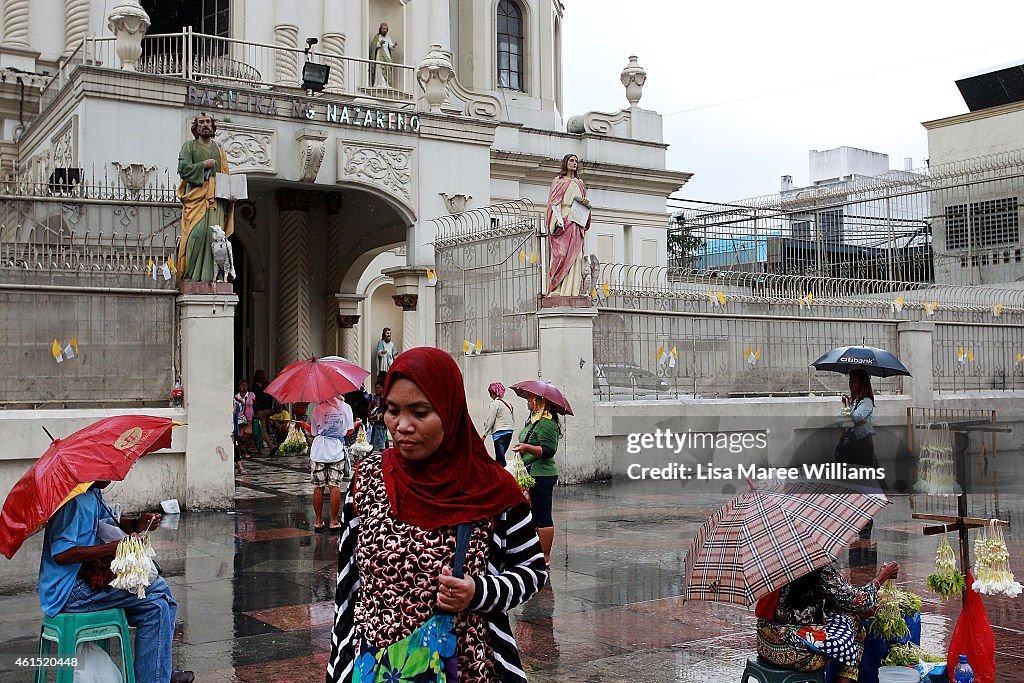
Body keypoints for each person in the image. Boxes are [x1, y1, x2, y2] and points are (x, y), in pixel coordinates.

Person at [326, 347, 547, 683]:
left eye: (420, 412)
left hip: (464, 666)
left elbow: (532, 571)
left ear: (450, 410)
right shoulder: (368, 479)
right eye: (392, 411)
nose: (402, 426)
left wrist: (479, 591)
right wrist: (338, 668)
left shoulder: (492, 488)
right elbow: (349, 587)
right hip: (376, 668)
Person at [40, 482, 194, 683]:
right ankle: (158, 676)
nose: (113, 478)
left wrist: (138, 524)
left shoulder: (93, 492)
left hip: (87, 579)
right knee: (158, 586)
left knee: (157, 607)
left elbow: (109, 522)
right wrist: (112, 548)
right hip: (68, 592)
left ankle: (156, 675)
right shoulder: (71, 501)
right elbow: (61, 554)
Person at [756, 560, 900, 683]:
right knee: (855, 626)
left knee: (844, 616)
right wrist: (882, 576)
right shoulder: (816, 568)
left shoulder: (775, 563)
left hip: (765, 644)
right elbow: (858, 600)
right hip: (791, 653)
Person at [176, 112, 234, 282]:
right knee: (195, 236)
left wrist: (231, 195)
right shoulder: (189, 146)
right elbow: (183, 169)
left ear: (213, 125)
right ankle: (189, 276)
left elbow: (225, 175)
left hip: (216, 200)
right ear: (196, 127)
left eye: (208, 121)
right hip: (196, 199)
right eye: (201, 122)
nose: (205, 125)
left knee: (215, 240)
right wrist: (203, 165)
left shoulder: (219, 149)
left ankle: (211, 278)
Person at [510, 390, 560, 567]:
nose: (527, 401)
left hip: (542, 474)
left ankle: (545, 557)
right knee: (532, 515)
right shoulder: (533, 420)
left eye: (530, 398)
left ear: (540, 401)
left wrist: (526, 447)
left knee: (542, 515)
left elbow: (548, 451)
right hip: (531, 472)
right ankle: (535, 553)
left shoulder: (546, 423)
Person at [836, 369, 876, 538]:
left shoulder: (866, 402)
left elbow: (856, 418)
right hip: (851, 446)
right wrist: (847, 410)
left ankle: (866, 519)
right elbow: (840, 421)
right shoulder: (853, 403)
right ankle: (856, 516)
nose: (850, 383)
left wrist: (846, 410)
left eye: (854, 380)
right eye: (849, 379)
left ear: (862, 382)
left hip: (862, 447)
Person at [545, 153, 592, 297]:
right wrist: (556, 221)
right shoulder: (558, 182)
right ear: (565, 163)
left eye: (576, 161)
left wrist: (586, 204)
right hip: (563, 219)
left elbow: (585, 201)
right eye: (571, 160)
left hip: (577, 221)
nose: (574, 163)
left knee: (576, 257)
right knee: (561, 255)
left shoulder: (580, 183)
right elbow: (554, 204)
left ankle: (573, 291)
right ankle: (557, 288)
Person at [310, 395, 353, 533]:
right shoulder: (346, 408)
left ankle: (318, 521)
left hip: (319, 452)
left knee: (318, 487)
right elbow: (349, 430)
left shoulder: (317, 409)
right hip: (336, 451)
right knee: (335, 486)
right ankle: (334, 521)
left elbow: (314, 432)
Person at [481, 382, 515, 467]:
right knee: (501, 457)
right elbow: (512, 418)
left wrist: (484, 435)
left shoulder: (495, 404)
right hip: (509, 432)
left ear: (493, 393)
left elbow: (490, 420)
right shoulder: (508, 404)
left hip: (499, 433)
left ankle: (501, 477)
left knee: (500, 460)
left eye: (490, 393)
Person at [252, 369, 277, 454]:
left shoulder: (254, 387)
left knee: (263, 430)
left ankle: (271, 445)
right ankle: (268, 444)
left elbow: (254, 399)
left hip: (260, 410)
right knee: (266, 428)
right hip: (268, 409)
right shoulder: (267, 385)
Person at [368, 22, 398, 88]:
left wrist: (394, 45)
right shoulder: (377, 37)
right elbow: (373, 47)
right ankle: (380, 83)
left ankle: (387, 84)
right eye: (383, 28)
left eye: (386, 29)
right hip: (379, 55)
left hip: (386, 54)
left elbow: (390, 46)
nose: (385, 30)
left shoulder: (388, 37)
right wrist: (379, 43)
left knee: (388, 67)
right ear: (380, 29)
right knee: (380, 68)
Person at [233, 380, 256, 456]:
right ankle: (239, 452)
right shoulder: (236, 397)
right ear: (239, 387)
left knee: (248, 436)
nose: (244, 387)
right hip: (239, 418)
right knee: (239, 436)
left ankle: (246, 451)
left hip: (249, 418)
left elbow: (255, 404)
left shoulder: (251, 395)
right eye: (242, 385)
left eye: (246, 385)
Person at [367, 380, 388, 452]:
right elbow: (369, 408)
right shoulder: (373, 397)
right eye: (376, 387)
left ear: (383, 389)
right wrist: (370, 417)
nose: (377, 389)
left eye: (379, 388)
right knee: (373, 442)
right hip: (373, 423)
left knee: (380, 441)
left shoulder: (385, 399)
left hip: (382, 423)